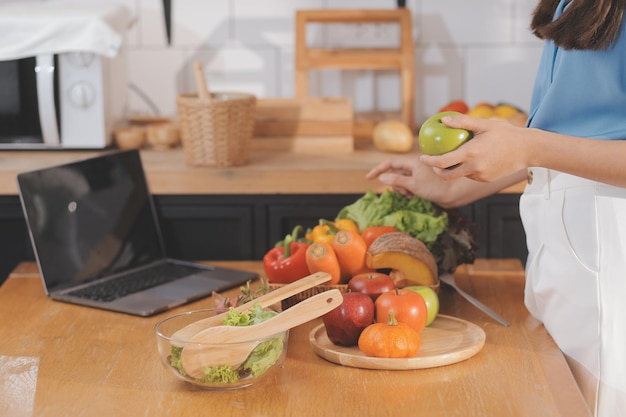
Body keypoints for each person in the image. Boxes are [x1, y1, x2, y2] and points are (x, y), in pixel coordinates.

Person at [366, 1, 626, 416]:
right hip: (568, 259)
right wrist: (457, 184)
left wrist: (527, 145)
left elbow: (545, 143)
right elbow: (572, 132)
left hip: (611, 260)